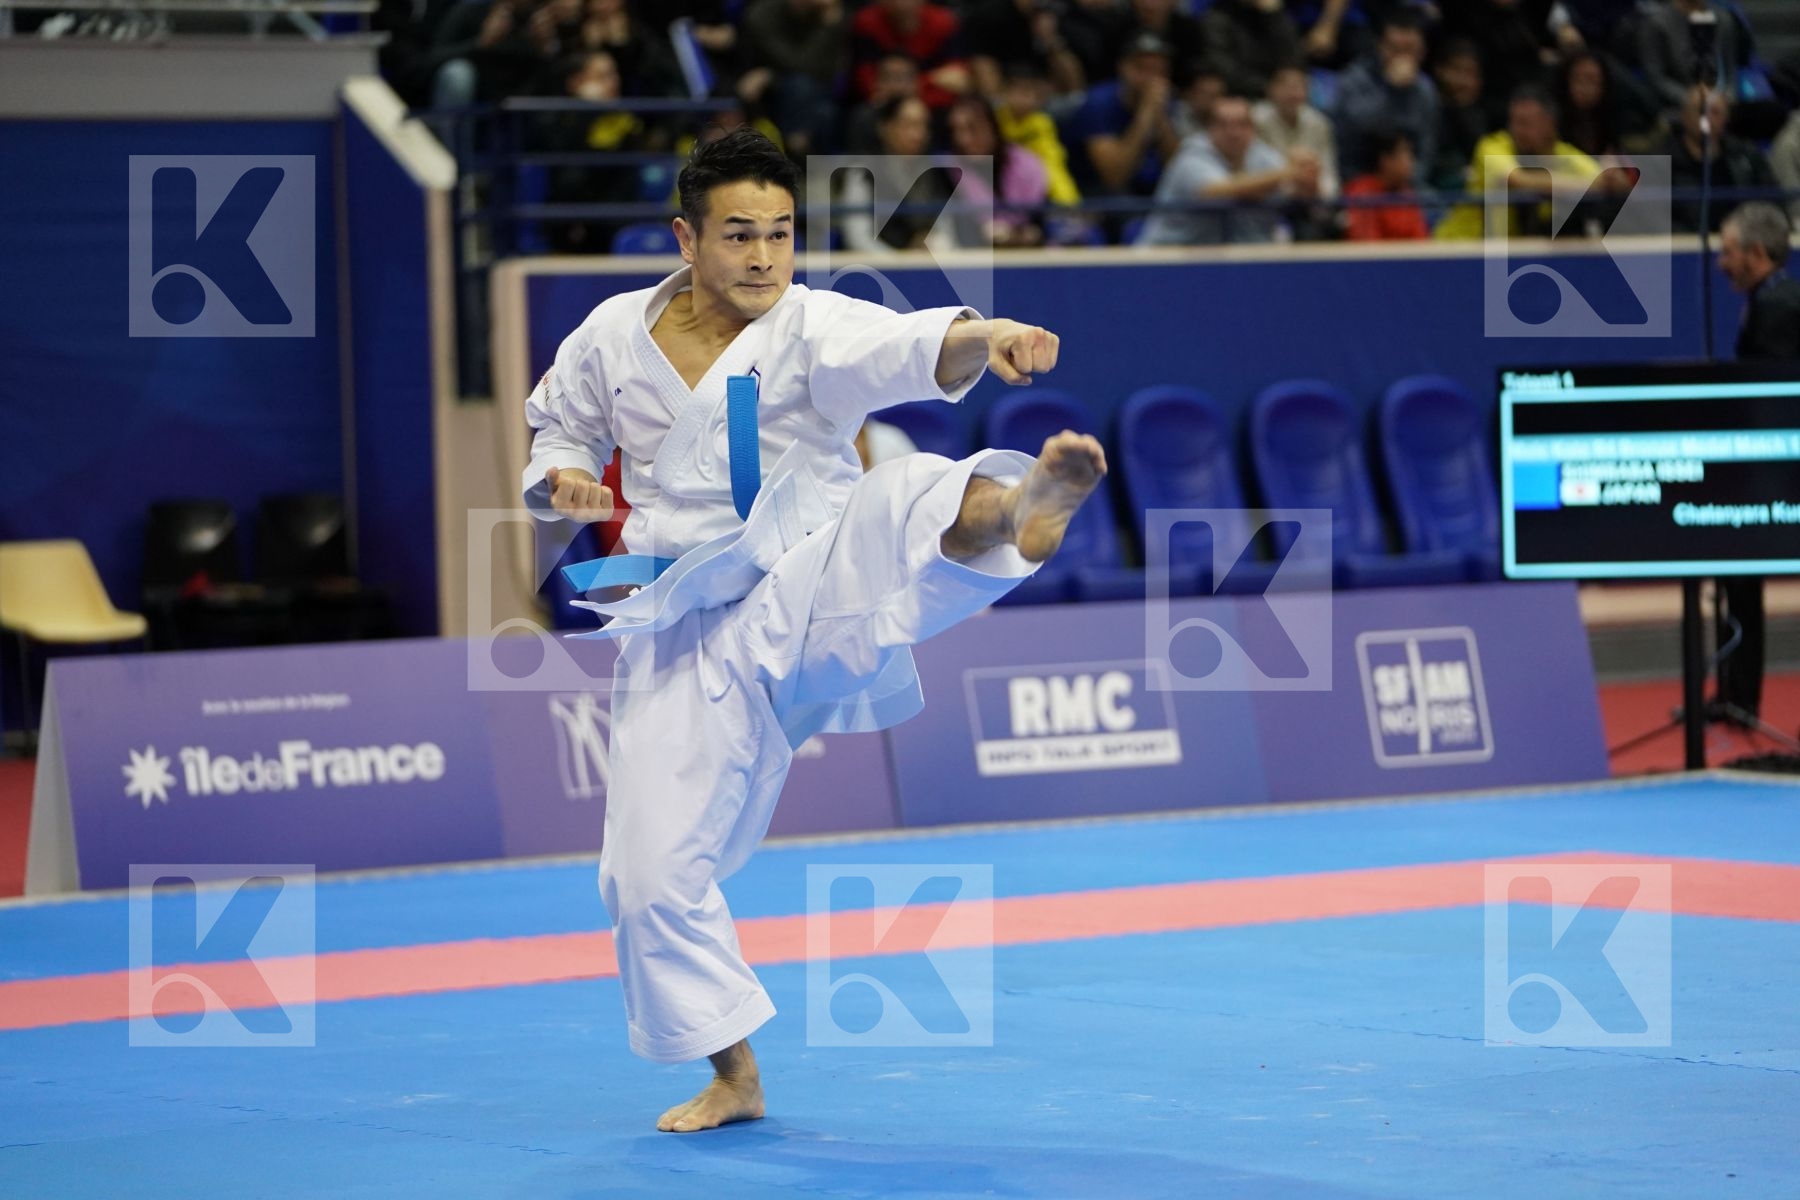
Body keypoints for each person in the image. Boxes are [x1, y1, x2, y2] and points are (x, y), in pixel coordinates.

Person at [523, 127, 1107, 1132]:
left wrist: (990, 332)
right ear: (686, 238)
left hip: (808, 563)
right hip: (680, 617)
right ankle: (734, 1077)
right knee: (646, 877)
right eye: (739, 235)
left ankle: (1019, 510)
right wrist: (559, 482)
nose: (762, 256)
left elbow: (907, 345)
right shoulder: (614, 333)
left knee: (901, 500)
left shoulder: (808, 325)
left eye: (781, 234)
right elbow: (559, 430)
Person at [1713, 202, 1800, 720]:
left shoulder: (1779, 309)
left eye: (1728, 253)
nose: (1721, 263)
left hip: (1778, 471)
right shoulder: (1771, 300)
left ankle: (1740, 697)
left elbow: (1769, 396)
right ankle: (1736, 695)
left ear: (1757, 253)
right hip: (1769, 467)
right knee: (1738, 575)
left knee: (1741, 573)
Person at [1434, 86, 1615, 240]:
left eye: (1524, 123)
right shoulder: (1492, 146)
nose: (1516, 130)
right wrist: (1588, 185)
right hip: (1459, 247)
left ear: (1549, 125)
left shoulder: (1565, 155)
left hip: (1515, 254)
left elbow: (1603, 180)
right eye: (1513, 122)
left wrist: (1611, 179)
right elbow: (1518, 180)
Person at [1139, 94, 1321, 245]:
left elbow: (1298, 193)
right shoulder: (1191, 155)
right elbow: (1217, 191)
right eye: (1223, 124)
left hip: (1242, 259)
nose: (1233, 133)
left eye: (1242, 124)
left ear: (1252, 129)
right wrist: (1288, 173)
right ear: (1209, 129)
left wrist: (1307, 176)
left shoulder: (1261, 153)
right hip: (1171, 257)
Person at [1332, 10, 1437, 186]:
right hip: (1357, 180)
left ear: (1422, 51)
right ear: (1380, 47)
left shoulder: (1425, 90)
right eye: (1395, 49)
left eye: (1410, 50)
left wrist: (1409, 181)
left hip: (1407, 185)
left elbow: (1426, 150)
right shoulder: (1354, 80)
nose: (1402, 58)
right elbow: (1357, 131)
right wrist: (1392, 89)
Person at [1666, 85, 1777, 235]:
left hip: (1742, 245)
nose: (1708, 120)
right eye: (1701, 111)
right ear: (1684, 115)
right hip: (1683, 248)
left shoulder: (1747, 157)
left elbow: (1772, 205)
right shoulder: (1662, 160)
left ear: (1726, 117)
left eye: (1715, 112)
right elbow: (1651, 221)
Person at [947, 94, 1053, 247]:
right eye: (955, 131)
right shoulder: (948, 172)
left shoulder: (1027, 165)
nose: (962, 139)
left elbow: (1043, 223)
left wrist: (1025, 234)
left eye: (972, 128)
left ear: (993, 127)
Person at [850, 0, 970, 110]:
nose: (903, 3)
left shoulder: (944, 24)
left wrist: (907, 91)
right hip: (880, 107)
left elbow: (958, 81)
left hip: (932, 109)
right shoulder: (867, 23)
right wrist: (931, 80)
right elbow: (867, 86)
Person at [1254, 62, 1341, 202]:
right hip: (1269, 200)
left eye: (1299, 88)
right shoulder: (1256, 120)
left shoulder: (1319, 123)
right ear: (1271, 90)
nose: (1293, 94)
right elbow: (1255, 170)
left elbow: (1328, 172)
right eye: (1287, 88)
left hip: (1312, 198)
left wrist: (1319, 190)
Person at [1342, 128, 1428, 240]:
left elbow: (1421, 240)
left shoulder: (1407, 193)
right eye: (1404, 153)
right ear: (1385, 160)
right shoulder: (1361, 194)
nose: (1411, 161)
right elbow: (1367, 246)